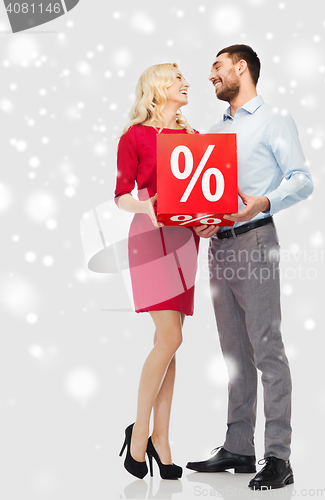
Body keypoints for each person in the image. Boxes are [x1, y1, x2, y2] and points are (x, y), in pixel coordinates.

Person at [186, 45, 314, 490]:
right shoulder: (210, 133)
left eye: (217, 67)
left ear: (242, 68)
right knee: (234, 353)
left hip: (257, 241)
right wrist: (201, 221)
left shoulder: (274, 120)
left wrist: (265, 201)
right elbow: (206, 191)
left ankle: (279, 457)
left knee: (267, 349)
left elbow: (302, 179)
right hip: (218, 248)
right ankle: (240, 446)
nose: (211, 76)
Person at [114, 63, 200, 480]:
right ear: (157, 88)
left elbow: (203, 192)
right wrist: (145, 205)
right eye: (178, 78)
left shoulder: (193, 138)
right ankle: (141, 434)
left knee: (170, 343)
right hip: (149, 238)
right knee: (171, 337)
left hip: (185, 240)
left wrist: (205, 219)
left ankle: (162, 439)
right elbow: (120, 196)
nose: (186, 84)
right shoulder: (134, 137)